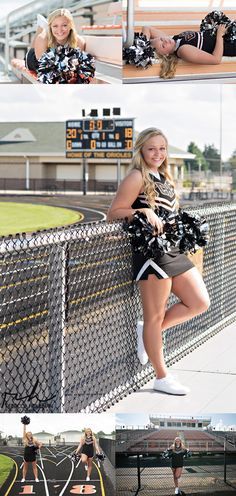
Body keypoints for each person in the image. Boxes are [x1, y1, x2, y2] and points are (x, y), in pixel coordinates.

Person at [107, 128, 210, 395]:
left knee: (199, 302)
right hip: (152, 254)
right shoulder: (136, 177)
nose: (157, 153)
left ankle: (148, 332)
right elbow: (113, 213)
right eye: (152, 148)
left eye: (162, 148)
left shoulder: (164, 176)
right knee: (154, 315)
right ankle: (161, 376)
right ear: (141, 149)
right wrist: (141, 210)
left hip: (174, 251)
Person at [141, 19, 236, 78]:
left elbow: (147, 28)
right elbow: (216, 59)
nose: (165, 41)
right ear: (166, 54)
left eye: (161, 39)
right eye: (163, 45)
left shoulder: (174, 40)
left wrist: (143, 45)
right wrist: (220, 35)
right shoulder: (183, 50)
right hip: (229, 43)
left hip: (222, 34)